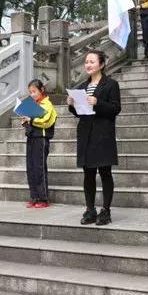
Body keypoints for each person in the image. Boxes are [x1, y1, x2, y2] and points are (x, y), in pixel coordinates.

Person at [66, 50, 121, 225]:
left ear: (102, 64)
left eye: (91, 61)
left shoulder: (111, 84)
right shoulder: (82, 87)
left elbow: (115, 109)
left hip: (103, 134)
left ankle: (106, 210)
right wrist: (72, 105)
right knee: (88, 174)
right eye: (86, 62)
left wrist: (98, 103)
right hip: (86, 134)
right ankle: (90, 210)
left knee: (105, 172)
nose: (88, 65)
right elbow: (80, 113)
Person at [21, 79, 57, 209]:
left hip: (41, 138)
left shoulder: (47, 104)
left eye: (34, 91)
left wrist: (32, 119)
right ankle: (34, 197)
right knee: (30, 167)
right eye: (30, 92)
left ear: (41, 90)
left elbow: (46, 121)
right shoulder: (33, 104)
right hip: (31, 137)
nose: (32, 94)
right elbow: (30, 121)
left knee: (39, 167)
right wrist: (25, 120)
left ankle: (43, 198)